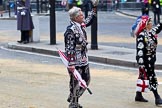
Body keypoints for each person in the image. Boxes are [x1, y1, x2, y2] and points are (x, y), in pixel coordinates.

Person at [64, 6, 96, 108]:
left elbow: (89, 20)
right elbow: (69, 48)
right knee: (75, 82)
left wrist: (94, 8)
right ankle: (74, 103)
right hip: (75, 61)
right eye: (81, 15)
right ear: (76, 17)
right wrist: (71, 63)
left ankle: (73, 97)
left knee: (86, 80)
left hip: (84, 59)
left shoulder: (81, 25)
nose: (83, 16)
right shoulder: (71, 30)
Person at [134, 15, 162, 106]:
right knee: (151, 77)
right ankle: (157, 97)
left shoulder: (152, 32)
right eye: (150, 23)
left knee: (142, 77)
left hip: (151, 60)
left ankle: (138, 95)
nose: (152, 24)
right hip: (145, 61)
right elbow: (140, 51)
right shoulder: (141, 36)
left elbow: (159, 27)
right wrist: (141, 64)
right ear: (145, 25)